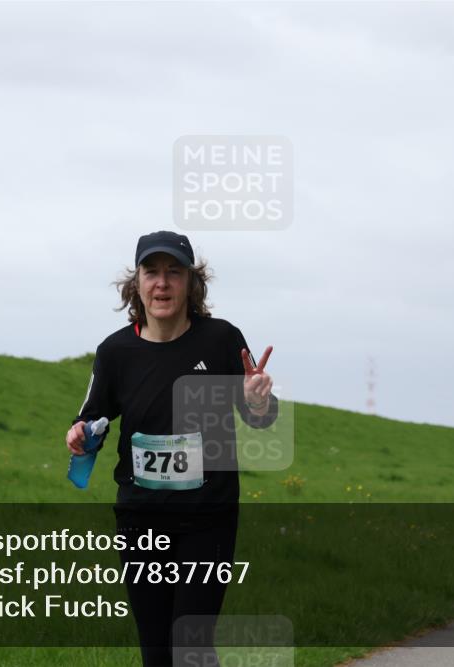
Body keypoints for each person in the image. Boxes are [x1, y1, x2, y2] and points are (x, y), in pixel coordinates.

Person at [65, 230, 279, 666]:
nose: (162, 283)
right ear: (137, 284)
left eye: (173, 273)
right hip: (141, 518)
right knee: (157, 651)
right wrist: (80, 433)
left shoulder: (221, 340)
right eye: (152, 272)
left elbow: (260, 413)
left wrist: (258, 400)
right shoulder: (115, 352)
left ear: (190, 284)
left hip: (208, 518)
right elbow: (91, 418)